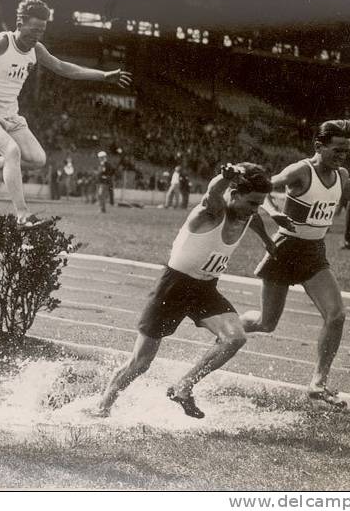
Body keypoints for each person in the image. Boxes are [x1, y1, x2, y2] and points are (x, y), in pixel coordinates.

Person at [92, 163, 280, 419]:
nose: (255, 210)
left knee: (235, 339)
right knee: (140, 363)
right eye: (251, 203)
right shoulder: (213, 212)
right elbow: (212, 194)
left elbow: (254, 219)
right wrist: (223, 178)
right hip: (174, 287)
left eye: (259, 204)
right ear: (234, 194)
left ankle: (184, 385)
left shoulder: (246, 214)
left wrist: (268, 241)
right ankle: (102, 407)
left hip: (205, 289)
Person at [240, 120, 350, 407]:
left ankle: (318, 382)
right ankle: (230, 327)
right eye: (338, 149)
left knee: (336, 314)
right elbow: (262, 187)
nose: (344, 156)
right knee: (267, 323)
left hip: (314, 252)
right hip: (286, 248)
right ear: (319, 146)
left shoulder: (341, 175)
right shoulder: (301, 171)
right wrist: (272, 212)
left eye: (347, 150)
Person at [0, 0, 132, 228]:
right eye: (34, 29)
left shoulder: (36, 49)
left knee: (37, 159)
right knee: (11, 151)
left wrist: (103, 75)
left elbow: (63, 67)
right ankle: (23, 215)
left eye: (42, 30)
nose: (37, 35)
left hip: (11, 115)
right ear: (20, 22)